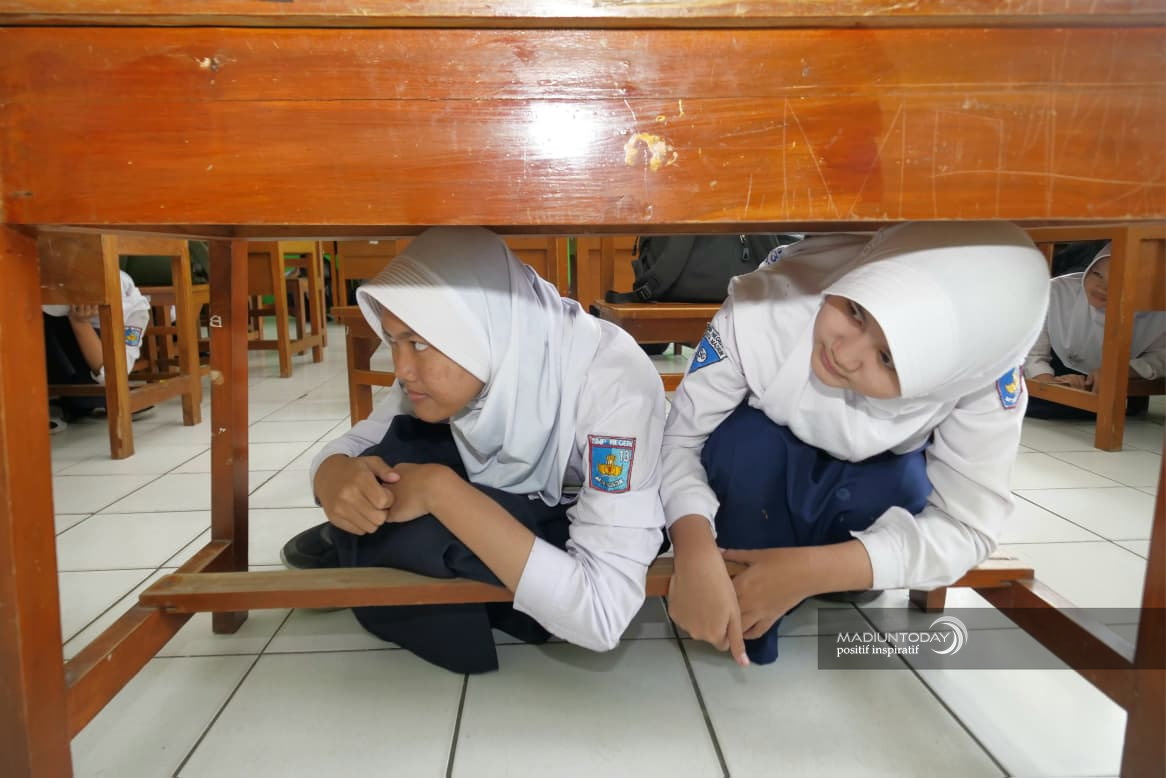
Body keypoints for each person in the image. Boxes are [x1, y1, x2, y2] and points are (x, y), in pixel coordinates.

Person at [661, 221, 1050, 666]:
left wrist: (813, 572)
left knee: (901, 485)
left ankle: (832, 573)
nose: (843, 354)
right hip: (766, 476)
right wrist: (693, 548)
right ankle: (770, 575)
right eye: (856, 310)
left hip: (869, 494)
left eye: (887, 358)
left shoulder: (985, 374)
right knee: (746, 447)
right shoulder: (767, 307)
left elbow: (967, 526)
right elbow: (681, 440)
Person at [281, 227, 667, 673]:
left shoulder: (613, 388)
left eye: (418, 342)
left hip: (576, 511)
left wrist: (439, 492)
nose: (402, 369)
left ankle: (366, 543)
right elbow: (363, 439)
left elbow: (602, 612)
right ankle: (381, 539)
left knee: (420, 519)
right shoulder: (479, 350)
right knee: (398, 446)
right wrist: (330, 475)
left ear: (481, 326)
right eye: (393, 341)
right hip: (512, 503)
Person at [1024, 242, 1165, 419]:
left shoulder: (1155, 311)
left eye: (1118, 281)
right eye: (1097, 274)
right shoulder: (1058, 291)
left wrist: (1121, 370)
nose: (1101, 287)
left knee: (1114, 406)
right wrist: (1048, 383)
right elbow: (1033, 352)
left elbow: (1161, 356)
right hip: (1056, 368)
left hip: (1123, 380)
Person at [43, 269, 151, 430]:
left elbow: (113, 374)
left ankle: (66, 402)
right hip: (51, 317)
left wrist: (80, 322)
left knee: (90, 396)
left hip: (88, 362)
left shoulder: (135, 313)